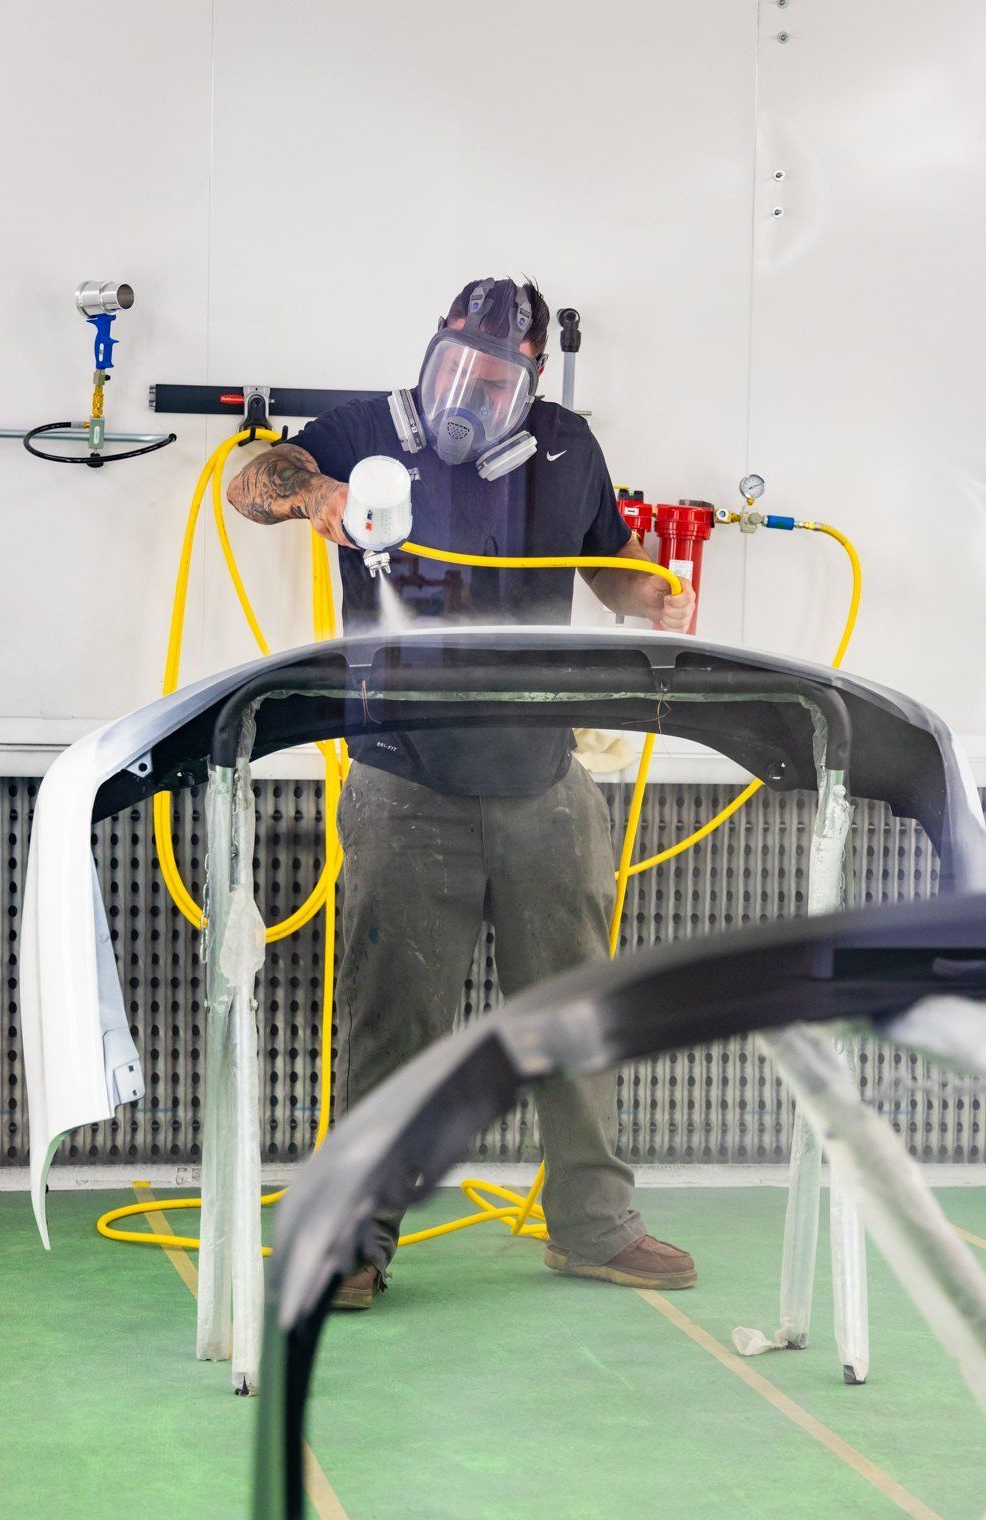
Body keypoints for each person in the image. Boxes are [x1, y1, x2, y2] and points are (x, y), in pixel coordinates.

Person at [228, 276, 697, 1308]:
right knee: (397, 1025)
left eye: (492, 379)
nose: (465, 394)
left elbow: (608, 560)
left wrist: (649, 592)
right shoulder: (366, 431)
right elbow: (250, 482)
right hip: (405, 779)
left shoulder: (567, 445)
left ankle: (594, 1224)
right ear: (433, 351)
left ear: (529, 380)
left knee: (575, 1017)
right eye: (454, 367)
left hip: (545, 780)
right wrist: (319, 494)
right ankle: (354, 1242)